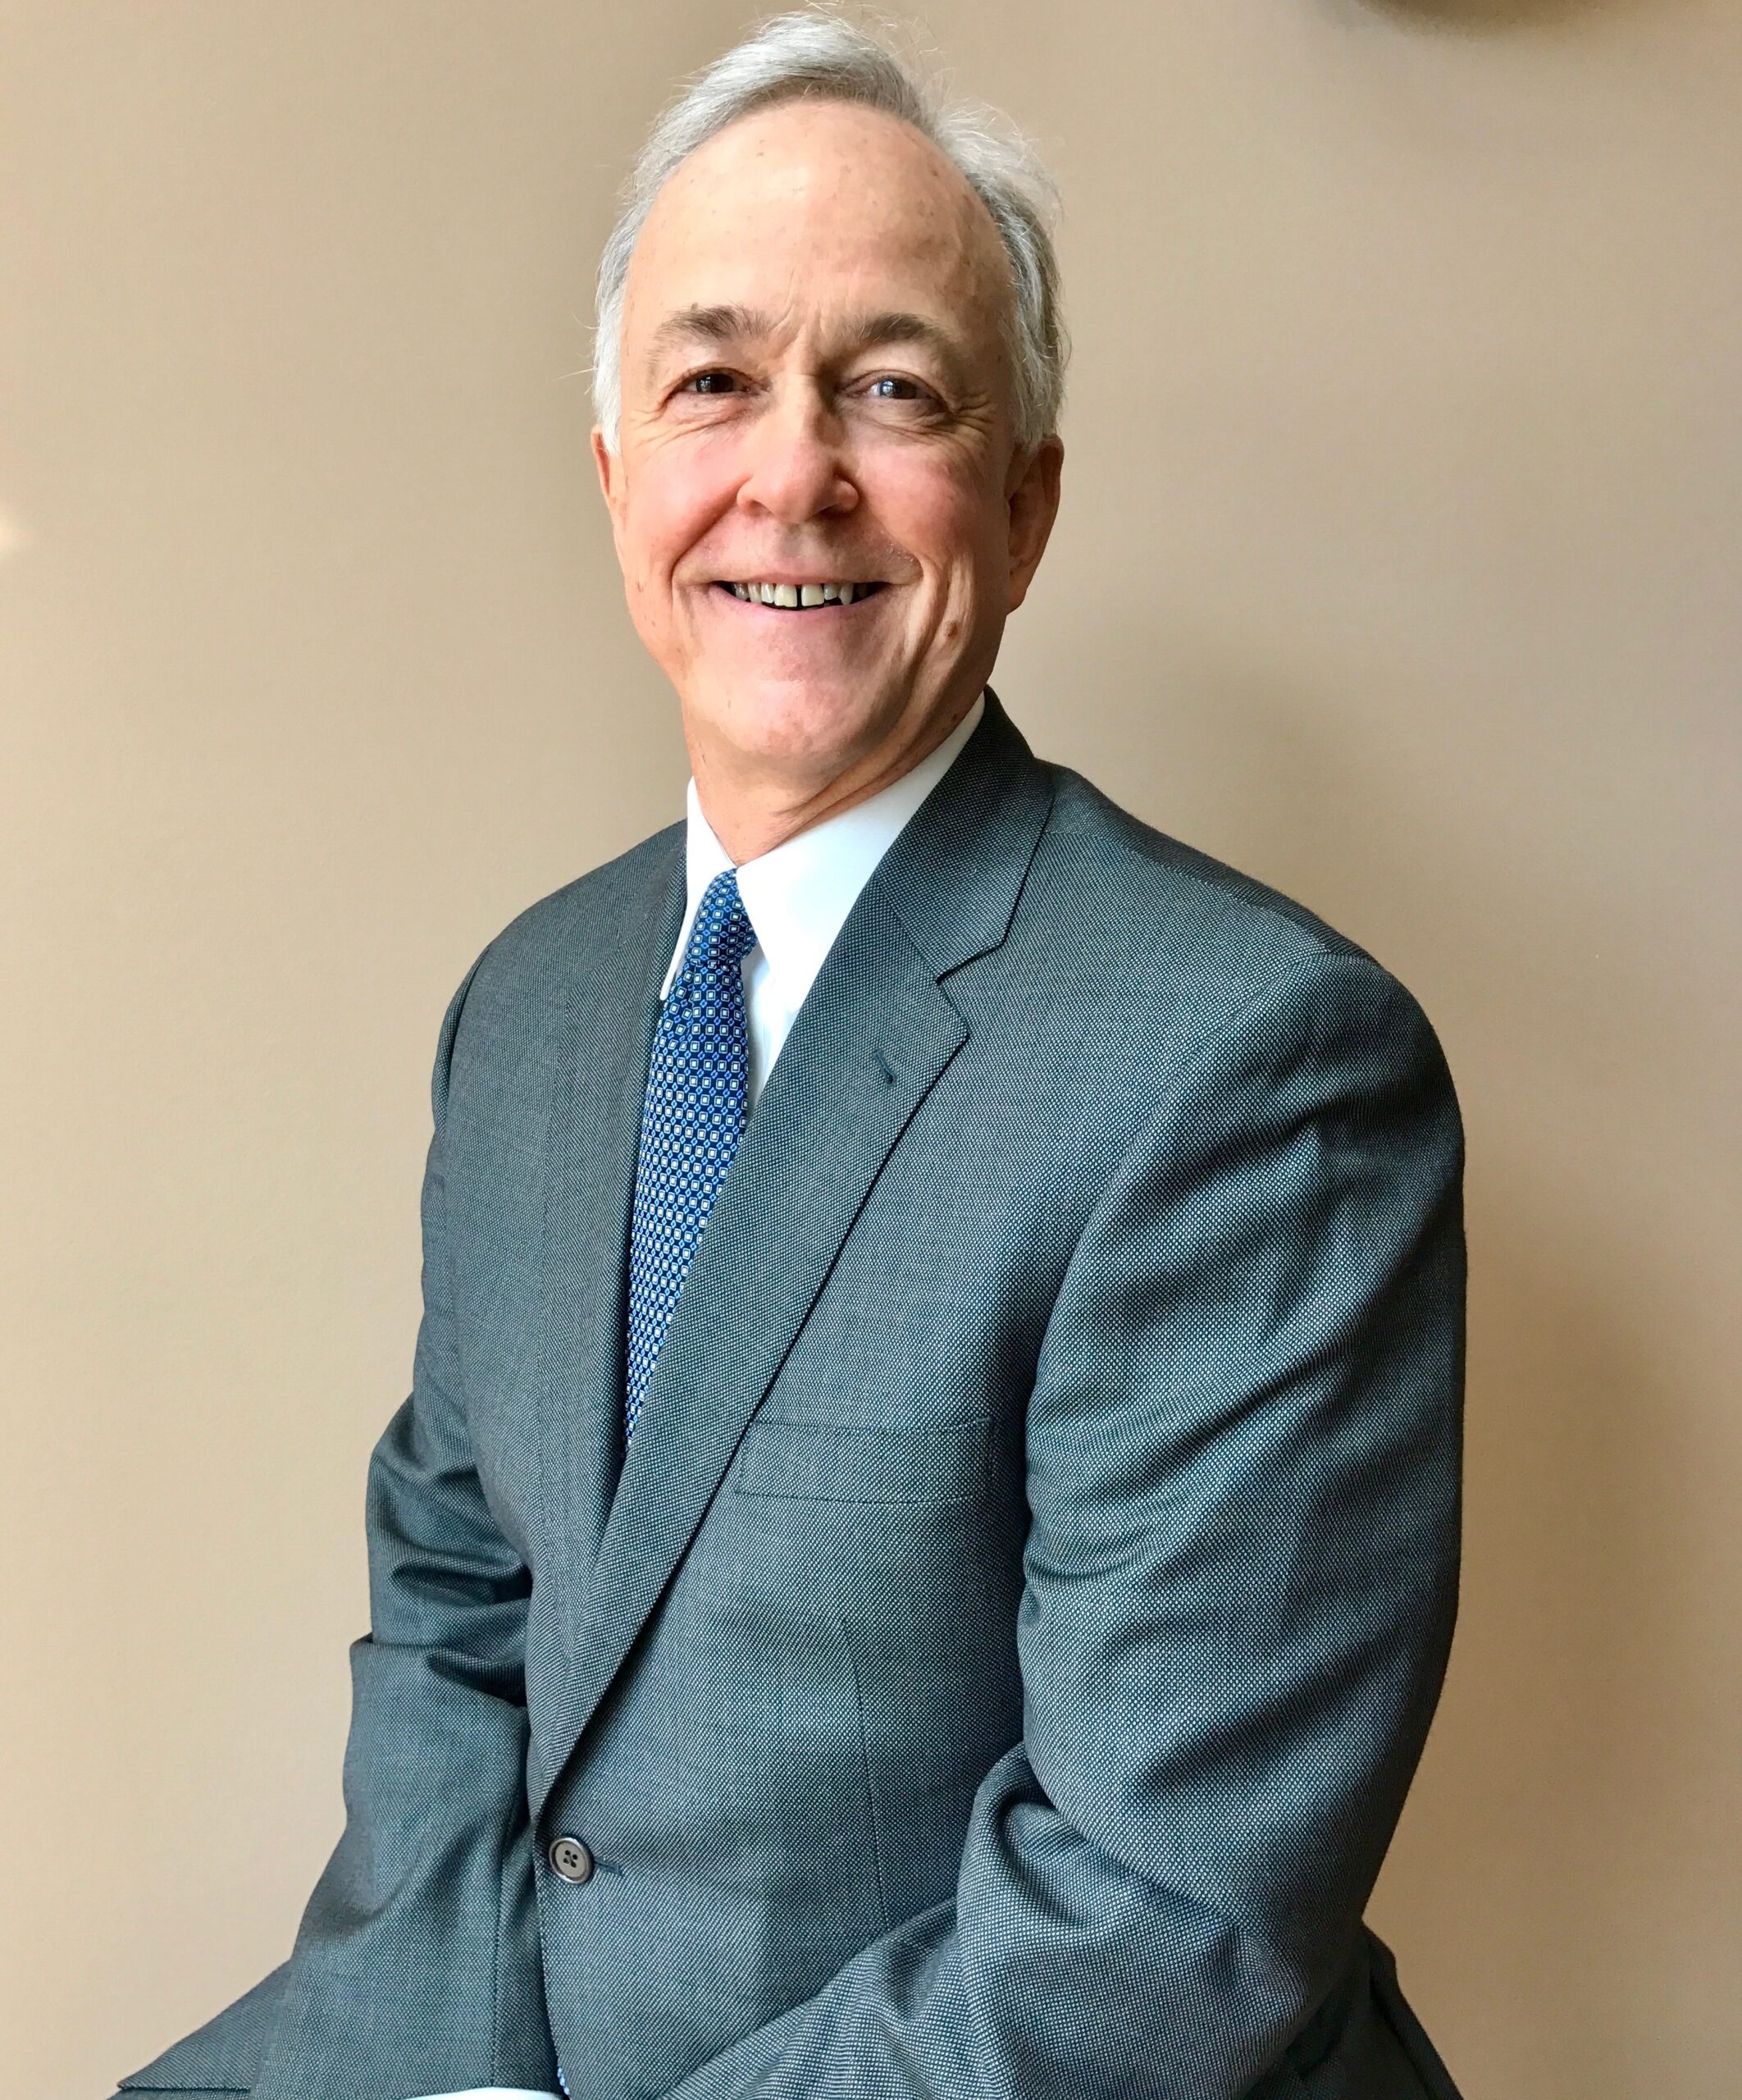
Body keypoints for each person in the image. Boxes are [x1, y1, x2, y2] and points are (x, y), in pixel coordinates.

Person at [114, 13, 1465, 2100]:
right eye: (714, 382)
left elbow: (1156, 1923)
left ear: (1025, 507)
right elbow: (459, 1615)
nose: (792, 472)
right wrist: (461, 2074)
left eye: (895, 388)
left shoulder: (1255, 1066)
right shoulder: (535, 1006)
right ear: (618, 484)